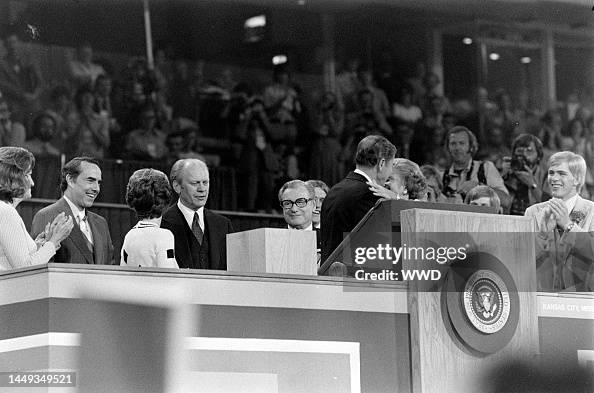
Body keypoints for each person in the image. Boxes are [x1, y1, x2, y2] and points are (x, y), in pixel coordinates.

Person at [525, 151, 594, 291]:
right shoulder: (532, 212)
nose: (554, 178)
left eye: (562, 174)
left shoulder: (591, 211)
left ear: (577, 179)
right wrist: (542, 235)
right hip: (542, 297)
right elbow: (524, 258)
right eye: (551, 173)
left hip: (581, 299)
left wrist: (568, 225)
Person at [321, 135, 396, 262]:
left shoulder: (335, 190)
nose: (391, 172)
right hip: (352, 277)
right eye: (392, 165)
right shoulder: (369, 194)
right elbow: (379, 245)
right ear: (382, 163)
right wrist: (395, 201)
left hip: (330, 273)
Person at [31, 157, 114, 265]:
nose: (96, 188)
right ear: (70, 180)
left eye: (99, 183)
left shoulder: (101, 223)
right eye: (90, 180)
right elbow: (40, 268)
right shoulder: (46, 216)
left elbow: (110, 266)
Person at [0, 147, 73, 270]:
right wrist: (54, 241)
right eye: (28, 175)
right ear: (12, 177)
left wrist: (40, 245)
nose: (32, 183)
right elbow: (25, 269)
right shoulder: (6, 212)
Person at [161, 159, 234, 269]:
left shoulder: (224, 225)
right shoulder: (162, 224)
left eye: (205, 182)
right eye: (195, 183)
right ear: (177, 186)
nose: (202, 189)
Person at [121, 169, 178, 268]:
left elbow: (123, 272)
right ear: (166, 199)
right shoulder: (164, 236)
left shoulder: (129, 236)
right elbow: (169, 276)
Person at [442, 126, 509, 209]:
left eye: (462, 143)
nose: (457, 148)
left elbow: (506, 201)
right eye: (453, 144)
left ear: (471, 147)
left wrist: (479, 188)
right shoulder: (442, 176)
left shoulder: (485, 168)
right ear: (448, 148)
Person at [502, 134, 550, 215]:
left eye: (529, 151)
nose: (524, 155)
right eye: (519, 151)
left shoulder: (546, 176)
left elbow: (551, 204)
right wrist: (502, 176)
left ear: (538, 156)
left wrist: (532, 184)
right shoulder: (507, 173)